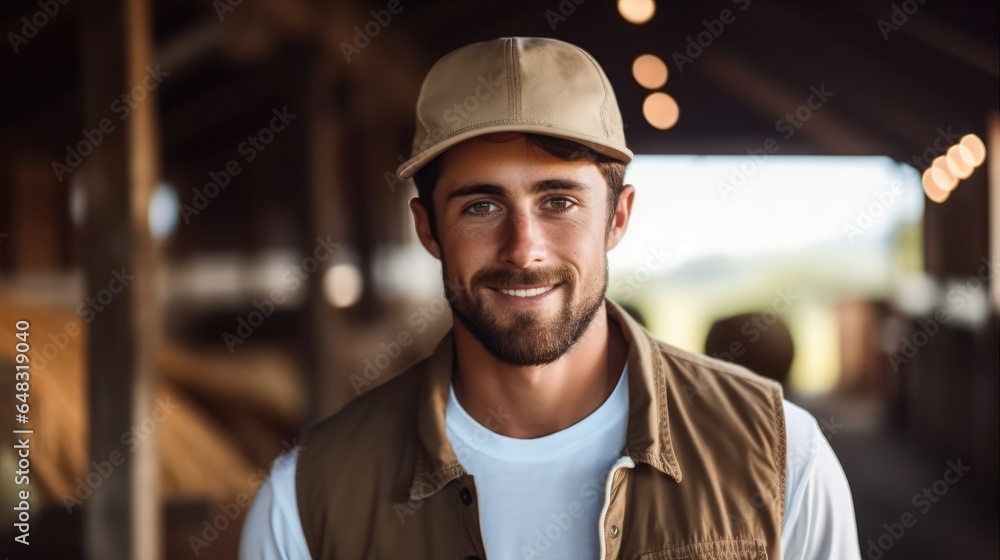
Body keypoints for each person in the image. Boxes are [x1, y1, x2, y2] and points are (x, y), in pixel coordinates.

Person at [240, 36, 861, 560]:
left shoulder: (782, 457)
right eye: (481, 206)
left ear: (618, 217)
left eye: (558, 202)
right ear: (428, 229)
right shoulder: (306, 500)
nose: (524, 249)